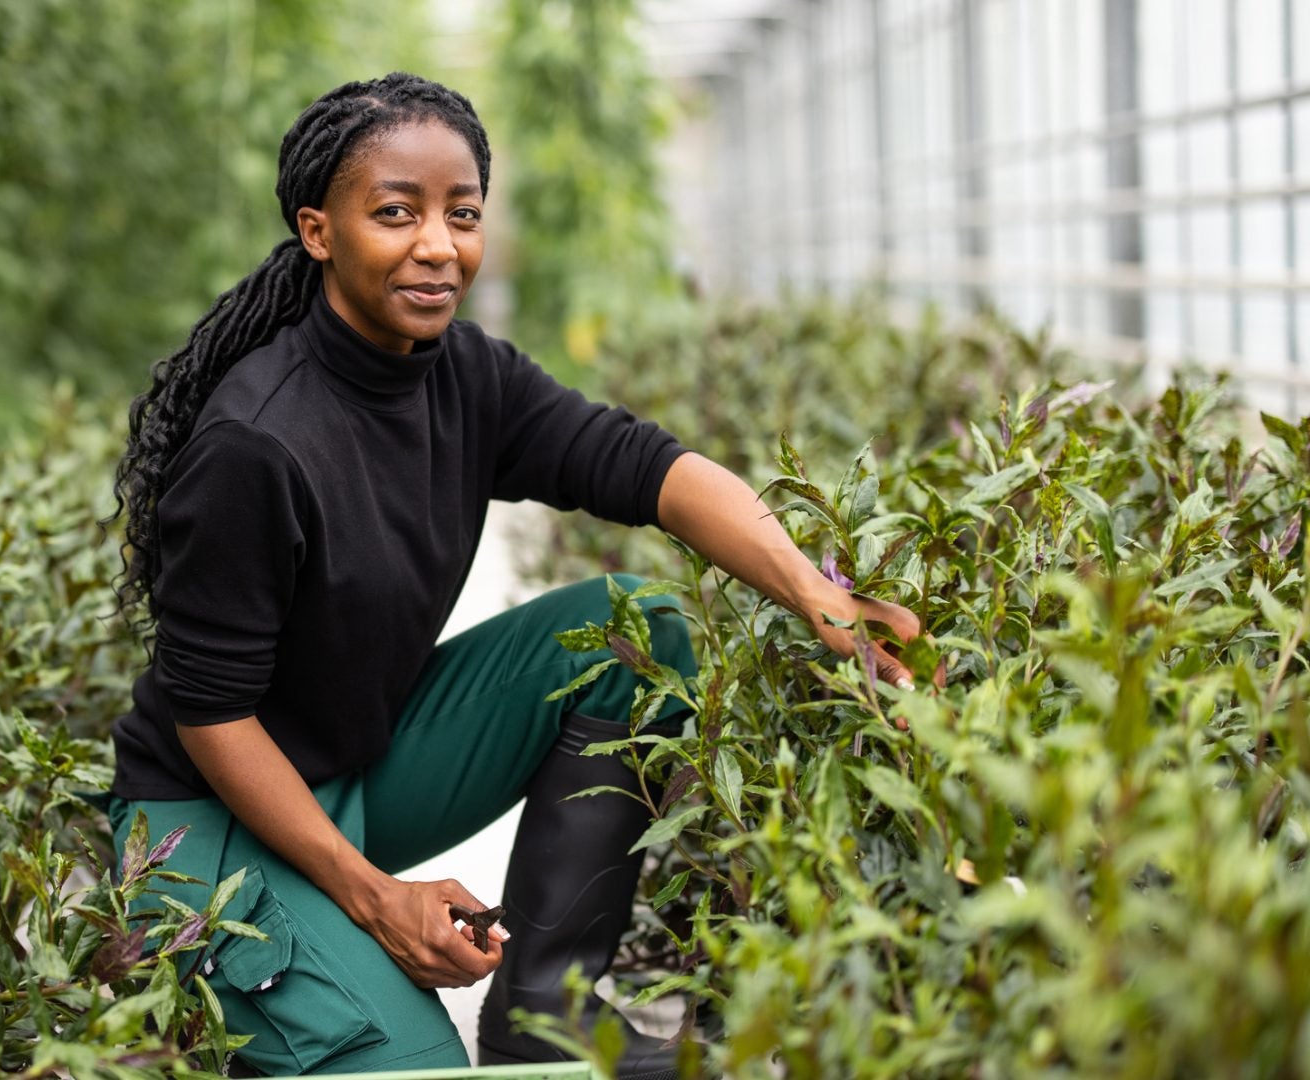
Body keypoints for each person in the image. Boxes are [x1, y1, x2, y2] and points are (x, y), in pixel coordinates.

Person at [98, 72, 930, 1077]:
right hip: (210, 829)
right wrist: (376, 899)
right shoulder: (256, 445)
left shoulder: (463, 374)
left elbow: (646, 467)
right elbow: (210, 717)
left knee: (637, 627)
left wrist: (820, 596)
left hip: (352, 770)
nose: (438, 246)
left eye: (464, 214)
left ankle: (545, 1018)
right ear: (320, 232)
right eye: (395, 214)